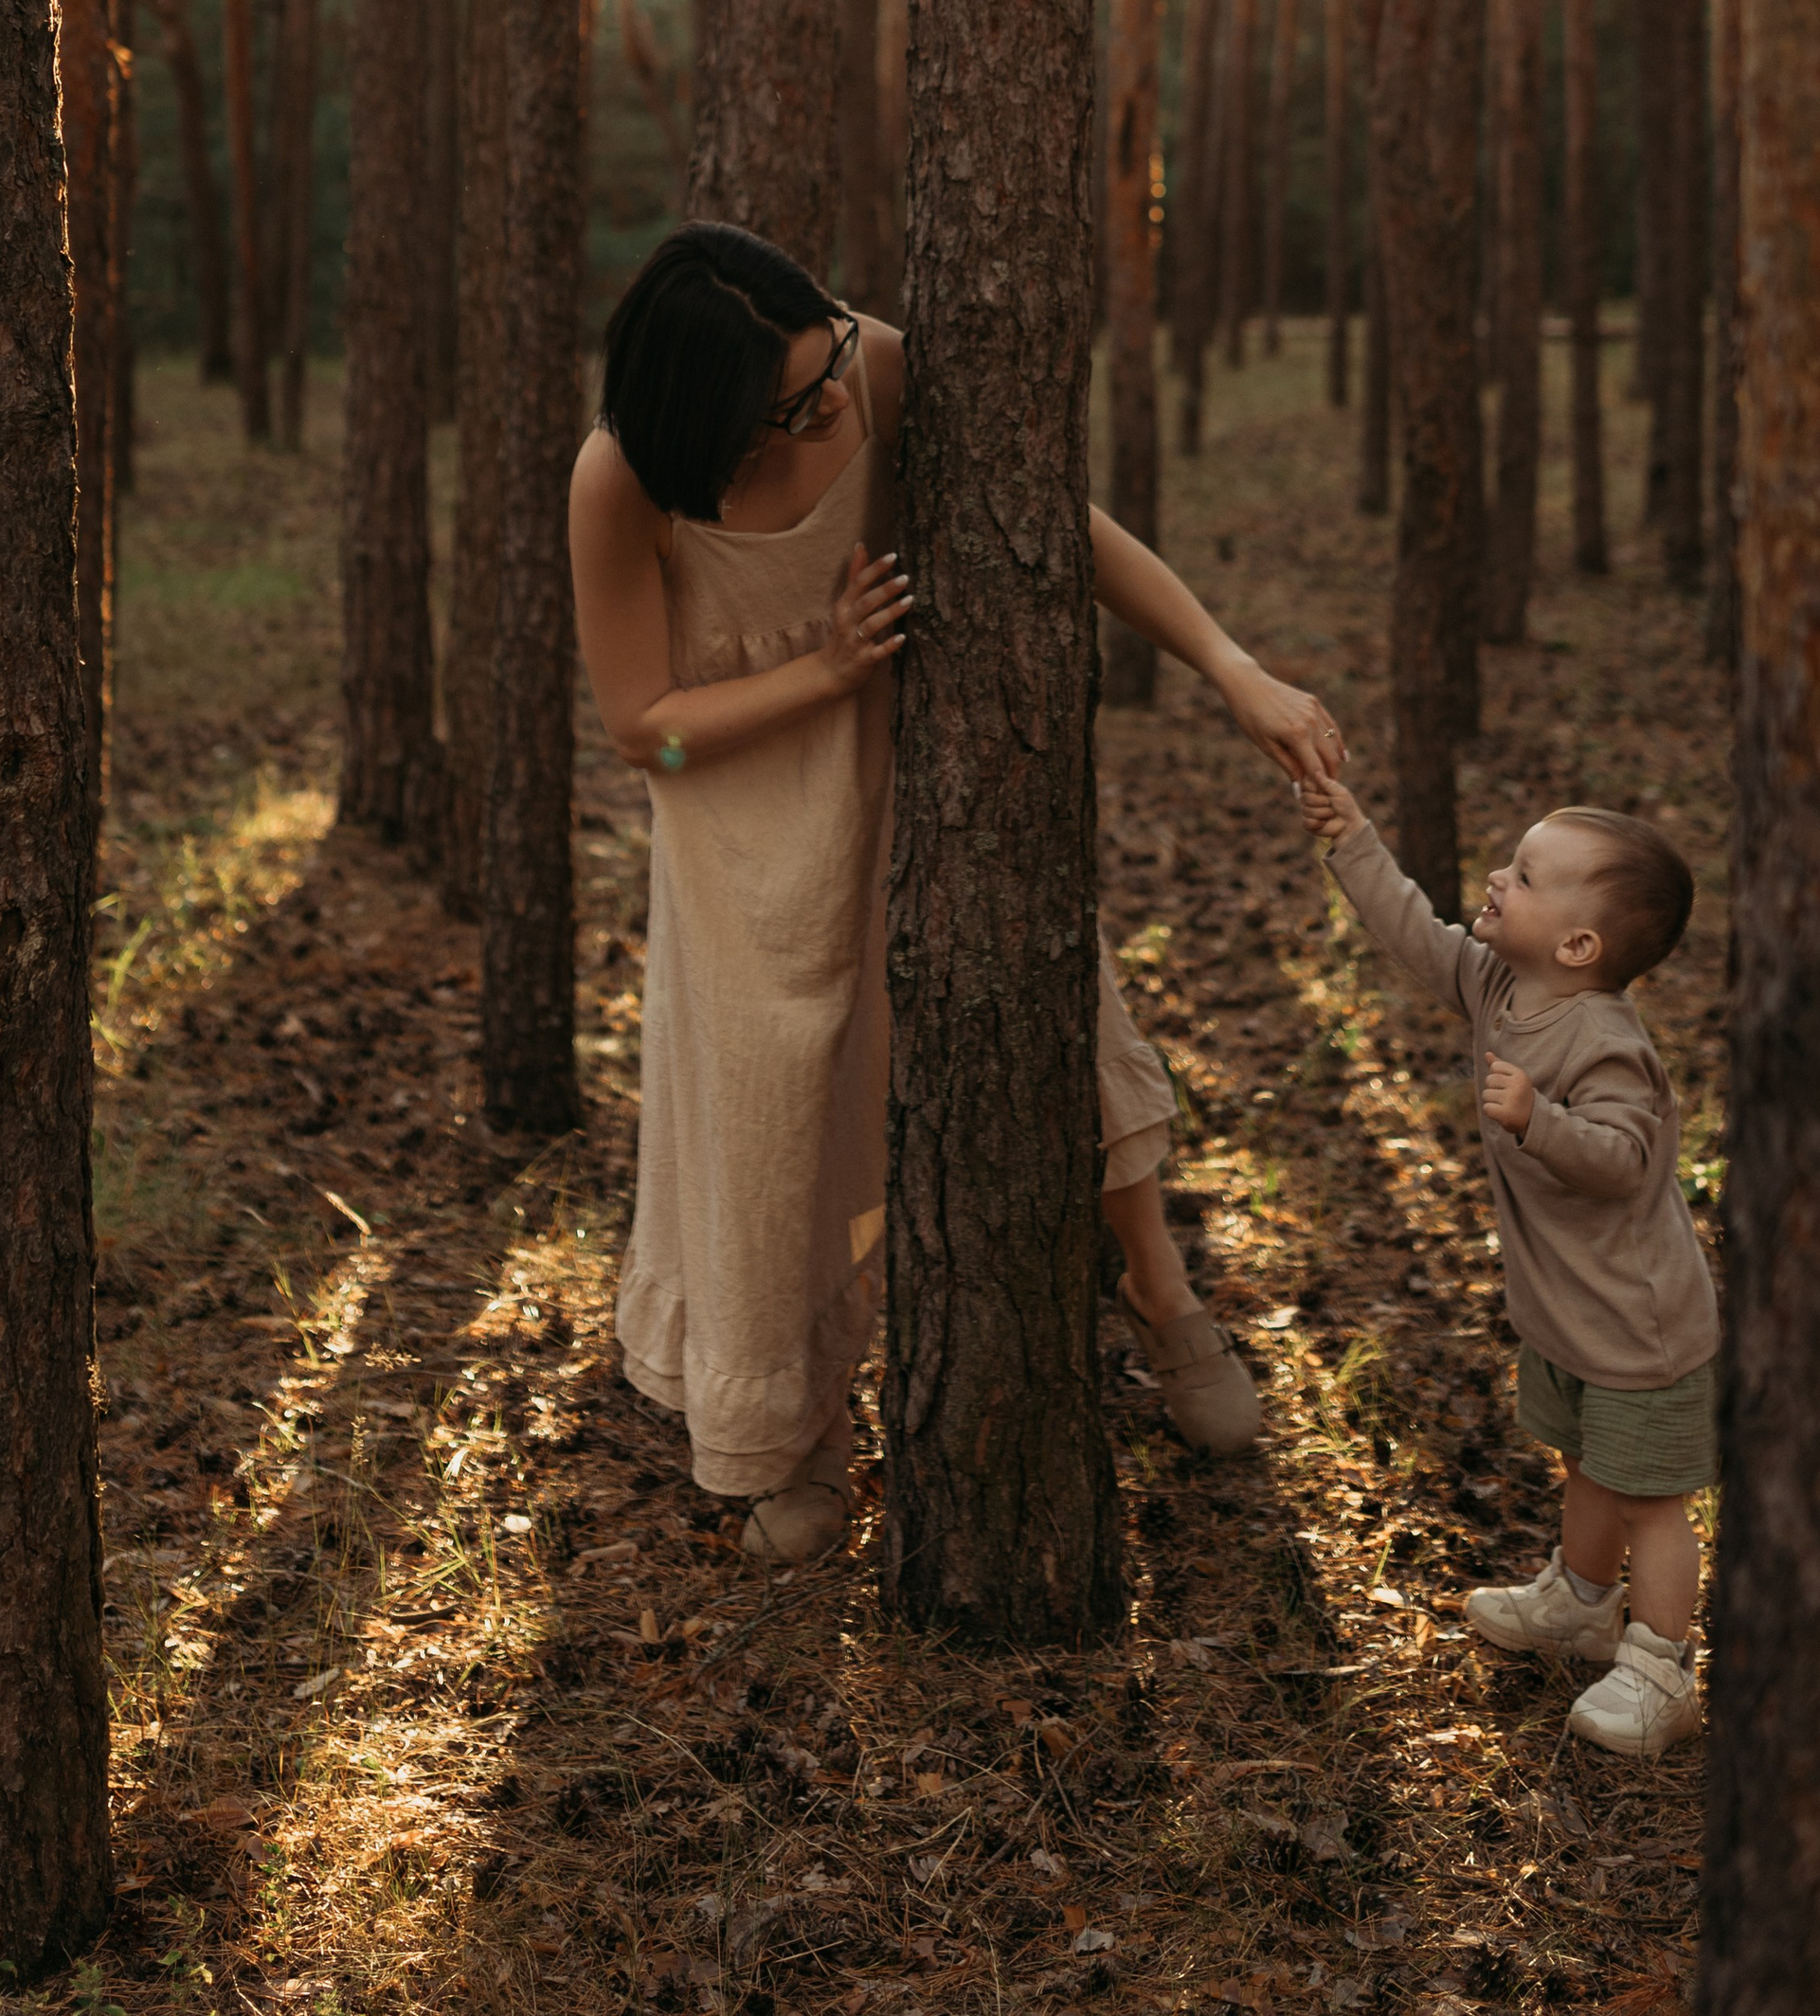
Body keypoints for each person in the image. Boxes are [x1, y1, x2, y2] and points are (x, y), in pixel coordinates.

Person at [571, 222, 1347, 1563]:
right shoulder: (621, 481)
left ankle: (1165, 1298)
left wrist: (1232, 666)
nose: (831, 404)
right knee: (778, 1118)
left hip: (921, 789)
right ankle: (795, 1423)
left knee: (1056, 1017)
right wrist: (822, 671)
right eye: (793, 404)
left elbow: (1053, 522)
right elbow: (645, 729)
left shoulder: (871, 363)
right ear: (704, 412)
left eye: (829, 367)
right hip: (742, 847)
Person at [1294, 773, 1717, 1758]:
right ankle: (1581, 1604)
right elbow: (1411, 930)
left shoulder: (1605, 1041)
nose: (1495, 877)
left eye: (1522, 875)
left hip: (1638, 1321)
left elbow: (1625, 1159)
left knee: (1651, 1501)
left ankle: (1663, 1669)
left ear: (1578, 946)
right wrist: (1351, 836)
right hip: (1568, 1313)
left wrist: (1539, 1119)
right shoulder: (1496, 981)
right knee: (1584, 1465)